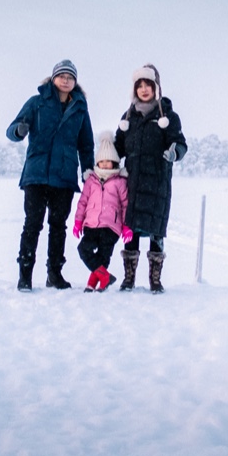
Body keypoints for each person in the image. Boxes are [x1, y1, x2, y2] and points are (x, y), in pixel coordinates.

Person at [6, 60, 94, 290]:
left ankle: (54, 274)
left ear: (75, 82)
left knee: (58, 226)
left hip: (64, 177)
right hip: (36, 175)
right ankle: (25, 275)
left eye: (70, 77)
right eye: (62, 76)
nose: (66, 80)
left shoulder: (80, 108)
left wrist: (88, 173)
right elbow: (12, 130)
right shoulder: (37, 103)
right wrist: (19, 130)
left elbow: (86, 145)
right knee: (32, 224)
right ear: (53, 78)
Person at [113, 64, 187, 292]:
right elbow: (118, 148)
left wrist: (175, 152)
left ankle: (155, 280)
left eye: (148, 85)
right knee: (131, 229)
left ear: (156, 88)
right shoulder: (128, 117)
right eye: (140, 86)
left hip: (157, 181)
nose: (144, 89)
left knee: (156, 230)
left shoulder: (168, 116)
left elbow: (180, 143)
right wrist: (104, 161)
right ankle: (129, 278)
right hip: (133, 182)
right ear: (134, 90)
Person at [72, 137, 131, 291]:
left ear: (115, 162)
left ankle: (93, 284)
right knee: (83, 249)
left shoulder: (120, 181)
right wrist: (78, 222)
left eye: (108, 161)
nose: (105, 164)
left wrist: (127, 226)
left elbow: (125, 205)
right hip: (91, 225)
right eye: (102, 161)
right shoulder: (91, 181)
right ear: (97, 162)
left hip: (111, 227)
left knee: (104, 257)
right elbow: (82, 202)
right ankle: (104, 277)